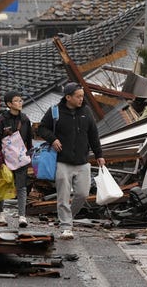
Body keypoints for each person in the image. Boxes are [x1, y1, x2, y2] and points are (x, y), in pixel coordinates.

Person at [37, 82, 105, 239]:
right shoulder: (55, 111)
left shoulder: (86, 112)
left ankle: (68, 218)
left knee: (82, 194)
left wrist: (99, 155)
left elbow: (93, 135)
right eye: (78, 96)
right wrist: (53, 139)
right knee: (63, 196)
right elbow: (41, 128)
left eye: (82, 96)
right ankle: (66, 226)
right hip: (62, 161)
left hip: (82, 161)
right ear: (68, 97)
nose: (81, 99)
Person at [0, 90, 32, 227]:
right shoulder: (1, 120)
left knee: (21, 187)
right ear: (9, 104)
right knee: (3, 185)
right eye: (16, 100)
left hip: (21, 159)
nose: (20, 103)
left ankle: (22, 215)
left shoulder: (25, 119)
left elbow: (29, 140)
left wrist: (29, 155)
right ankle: (0, 212)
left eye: (21, 100)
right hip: (5, 159)